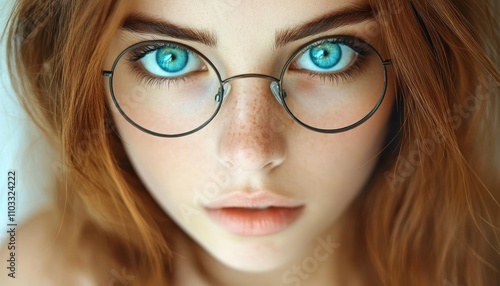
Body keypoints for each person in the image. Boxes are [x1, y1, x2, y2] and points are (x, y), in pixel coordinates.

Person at [1, 0, 499, 285]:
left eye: (325, 55)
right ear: (87, 81)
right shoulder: (26, 272)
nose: (249, 152)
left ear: (420, 68)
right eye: (169, 58)